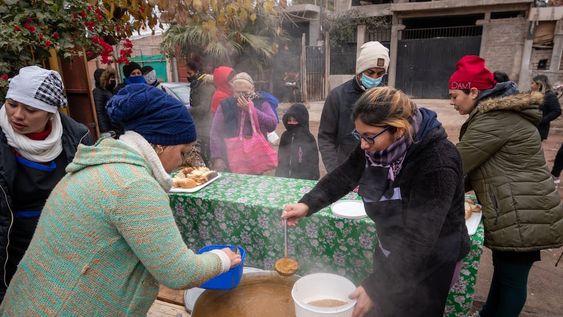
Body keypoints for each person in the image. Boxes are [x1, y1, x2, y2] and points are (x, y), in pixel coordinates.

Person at [0, 83, 241, 315]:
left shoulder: (99, 164)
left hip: (30, 303)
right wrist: (223, 258)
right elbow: (179, 272)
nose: (180, 162)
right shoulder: (134, 185)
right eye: (182, 152)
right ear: (160, 145)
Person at [283, 87, 470, 317]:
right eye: (359, 135)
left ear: (399, 130)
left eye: (368, 137)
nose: (362, 144)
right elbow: (346, 174)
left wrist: (376, 287)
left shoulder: (438, 163)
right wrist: (308, 204)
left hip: (431, 261)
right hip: (392, 249)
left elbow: (419, 240)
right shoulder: (375, 146)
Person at [448, 55, 563, 317]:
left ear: (474, 91)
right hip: (520, 206)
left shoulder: (493, 120)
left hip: (523, 211)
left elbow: (457, 164)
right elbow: (472, 168)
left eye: (455, 96)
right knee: (504, 272)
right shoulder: (494, 115)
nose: (451, 102)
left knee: (511, 280)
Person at [0, 66, 93, 301]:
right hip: (11, 247)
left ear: (50, 112)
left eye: (31, 109)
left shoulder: (77, 137)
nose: (17, 115)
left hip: (62, 245)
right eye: (12, 104)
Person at [318, 41, 389, 173]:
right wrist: (335, 171)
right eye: (370, 72)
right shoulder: (337, 96)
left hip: (378, 171)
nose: (375, 78)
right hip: (345, 169)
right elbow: (325, 138)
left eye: (380, 74)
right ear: (360, 70)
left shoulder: (389, 98)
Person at [210, 72, 278, 172]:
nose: (242, 96)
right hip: (231, 156)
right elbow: (215, 131)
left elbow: (272, 124)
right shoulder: (225, 105)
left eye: (245, 93)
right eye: (238, 92)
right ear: (233, 90)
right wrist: (217, 157)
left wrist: (252, 110)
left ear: (252, 89)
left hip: (255, 156)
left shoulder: (261, 102)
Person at [182, 61, 215, 167]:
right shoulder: (196, 84)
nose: (188, 76)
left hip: (205, 127)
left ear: (197, 72)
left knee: (206, 157)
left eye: (189, 73)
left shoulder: (205, 86)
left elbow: (204, 108)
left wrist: (188, 110)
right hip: (198, 125)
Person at [275, 103, 320, 180]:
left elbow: (314, 162)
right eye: (289, 120)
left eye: (295, 120)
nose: (292, 123)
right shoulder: (285, 136)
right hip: (285, 177)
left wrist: (313, 178)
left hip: (304, 179)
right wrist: (278, 175)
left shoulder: (309, 138)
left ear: (302, 120)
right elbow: (280, 158)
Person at [530, 74, 561, 140]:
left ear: (539, 84)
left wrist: (541, 120)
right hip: (531, 128)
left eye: (533, 83)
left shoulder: (550, 95)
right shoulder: (534, 94)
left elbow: (557, 111)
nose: (531, 86)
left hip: (539, 130)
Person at [92, 67, 122, 136]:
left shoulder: (109, 91)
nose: (113, 80)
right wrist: (105, 131)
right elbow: (99, 112)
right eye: (110, 78)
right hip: (109, 130)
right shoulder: (98, 92)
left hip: (115, 128)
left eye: (113, 78)